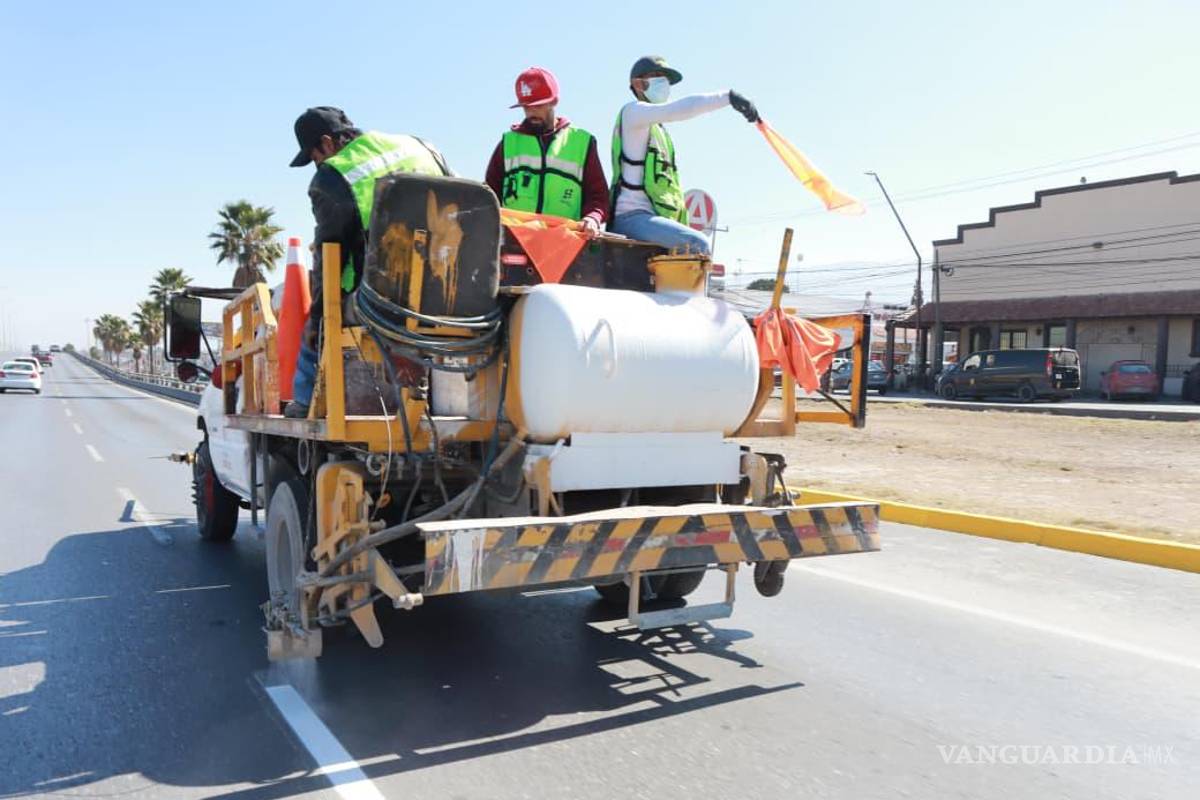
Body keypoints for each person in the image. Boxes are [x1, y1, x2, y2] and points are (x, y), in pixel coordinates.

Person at [284, 107, 451, 418]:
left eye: (314, 156)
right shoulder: (421, 146)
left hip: (383, 301)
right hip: (448, 294)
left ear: (327, 143)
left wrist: (318, 316)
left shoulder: (332, 176)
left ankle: (304, 405)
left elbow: (329, 255)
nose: (317, 164)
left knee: (317, 324)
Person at [609, 55, 759, 255]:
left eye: (667, 79)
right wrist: (727, 97)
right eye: (657, 76)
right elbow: (678, 110)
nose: (665, 83)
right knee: (698, 245)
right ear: (638, 84)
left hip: (652, 218)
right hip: (631, 217)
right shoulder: (633, 112)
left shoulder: (658, 130)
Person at [484, 67, 608, 235]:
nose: (531, 112)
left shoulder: (582, 142)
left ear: (554, 101)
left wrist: (593, 218)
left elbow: (598, 196)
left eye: (538, 106)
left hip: (563, 246)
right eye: (526, 107)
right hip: (514, 242)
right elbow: (488, 197)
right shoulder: (508, 144)